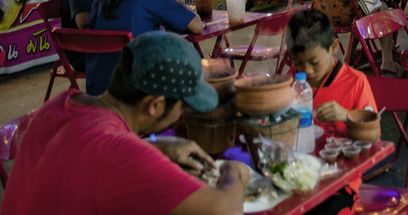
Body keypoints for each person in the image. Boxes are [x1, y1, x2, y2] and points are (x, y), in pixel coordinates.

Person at [1, 30, 248, 215]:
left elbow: (83, 157)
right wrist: (233, 169)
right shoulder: (118, 152)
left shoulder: (58, 105)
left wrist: (155, 145)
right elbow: (224, 209)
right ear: (155, 105)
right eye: (183, 107)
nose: (181, 115)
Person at [286, 8, 377, 213]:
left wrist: (347, 116)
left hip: (340, 182)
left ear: (334, 47)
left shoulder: (355, 82)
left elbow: (373, 136)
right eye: (298, 63)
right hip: (298, 174)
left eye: (314, 62)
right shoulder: (291, 80)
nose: (306, 70)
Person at [86, 0, 204, 95]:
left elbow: (91, 26)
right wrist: (182, 5)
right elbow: (197, 26)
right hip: (136, 87)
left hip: (97, 84)